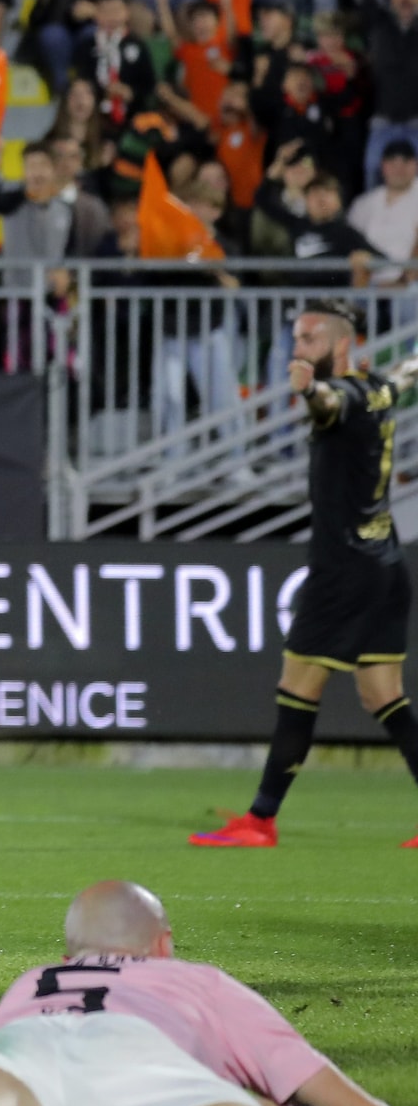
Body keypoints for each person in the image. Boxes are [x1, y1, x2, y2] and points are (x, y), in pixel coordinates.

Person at [191, 300, 418, 849]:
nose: (298, 348)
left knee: (297, 689)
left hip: (343, 573)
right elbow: (408, 373)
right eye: (295, 337)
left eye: (310, 338)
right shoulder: (381, 387)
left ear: (342, 345)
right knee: (382, 696)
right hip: (386, 562)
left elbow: (326, 404)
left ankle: (260, 820)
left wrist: (307, 390)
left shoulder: (343, 395)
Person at [0, 880, 389, 1106]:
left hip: (23, 1039)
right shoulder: (195, 980)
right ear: (162, 944)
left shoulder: (33, 981)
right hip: (136, 1047)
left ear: (70, 952)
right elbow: (338, 1097)